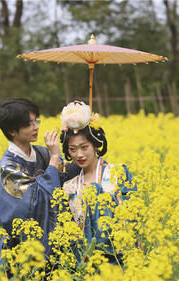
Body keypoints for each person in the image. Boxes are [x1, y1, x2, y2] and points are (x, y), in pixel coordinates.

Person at [0, 98, 79, 266]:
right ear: (12, 131)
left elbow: (66, 179)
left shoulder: (41, 153)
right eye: (29, 124)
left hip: (53, 244)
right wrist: (54, 158)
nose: (36, 127)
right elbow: (37, 201)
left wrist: (80, 137)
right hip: (23, 252)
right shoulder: (7, 169)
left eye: (36, 121)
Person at [59, 101, 137, 264]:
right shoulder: (69, 186)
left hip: (121, 258)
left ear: (96, 145)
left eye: (84, 147)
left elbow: (133, 216)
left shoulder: (119, 173)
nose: (79, 154)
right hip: (86, 263)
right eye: (72, 149)